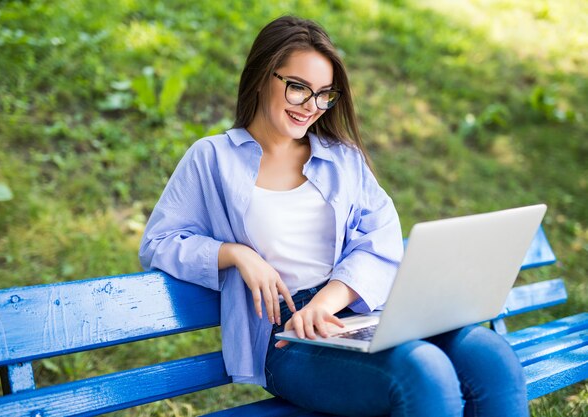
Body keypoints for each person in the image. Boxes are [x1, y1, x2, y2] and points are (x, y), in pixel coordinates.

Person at [139, 15, 528, 417]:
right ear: (260, 77)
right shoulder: (212, 159)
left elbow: (380, 239)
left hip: (354, 311)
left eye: (324, 94)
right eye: (298, 89)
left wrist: (328, 302)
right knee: (421, 372)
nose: (311, 107)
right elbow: (159, 243)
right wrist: (237, 254)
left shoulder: (342, 160)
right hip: (288, 339)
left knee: (489, 357)